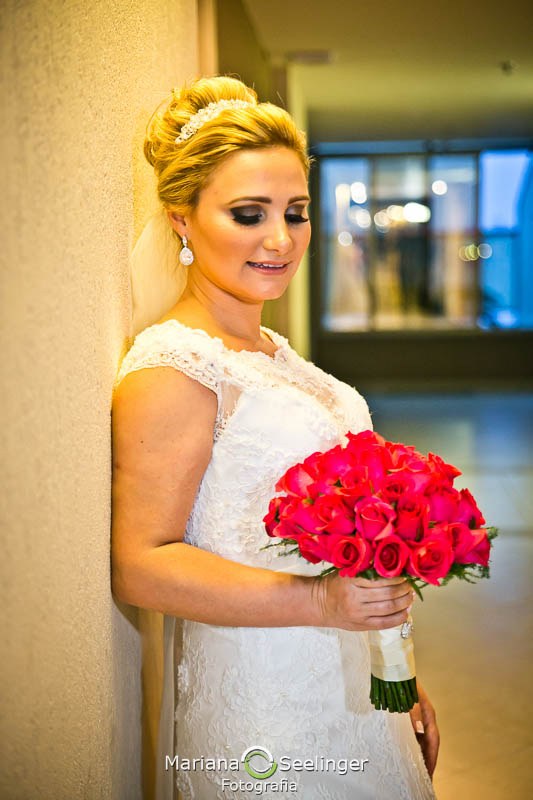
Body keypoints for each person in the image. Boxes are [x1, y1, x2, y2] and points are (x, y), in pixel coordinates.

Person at [111, 76, 439, 800]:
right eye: (247, 213)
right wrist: (320, 604)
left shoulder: (279, 357)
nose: (279, 239)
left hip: (353, 687)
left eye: (295, 211)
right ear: (181, 220)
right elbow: (141, 564)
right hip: (263, 703)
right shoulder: (175, 367)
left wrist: (399, 678)